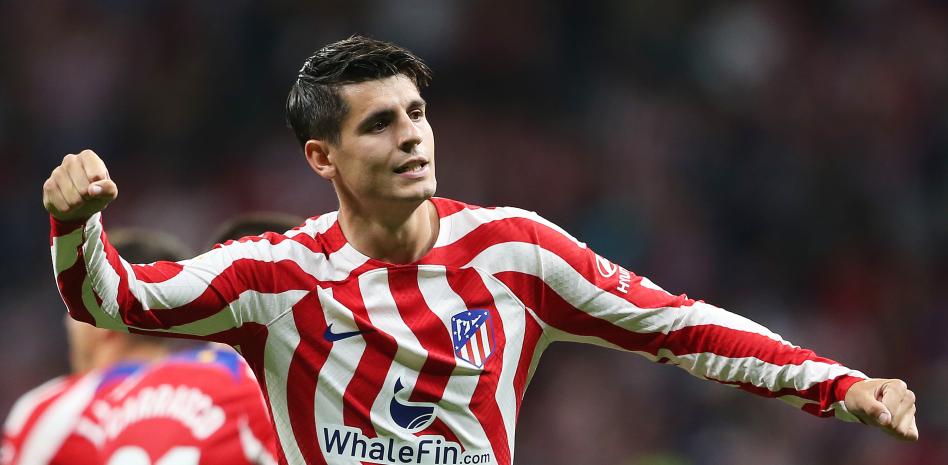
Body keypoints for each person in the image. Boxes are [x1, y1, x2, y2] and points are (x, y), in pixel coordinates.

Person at [41, 36, 918, 465]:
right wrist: (75, 225)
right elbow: (110, 299)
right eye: (379, 124)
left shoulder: (515, 254)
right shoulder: (276, 276)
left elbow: (679, 325)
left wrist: (841, 384)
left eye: (417, 113)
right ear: (322, 157)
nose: (411, 136)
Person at [3, 230, 278, 465]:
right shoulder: (241, 380)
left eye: (73, 307)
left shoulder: (55, 410)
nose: (67, 321)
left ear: (99, 315)